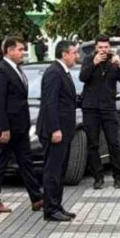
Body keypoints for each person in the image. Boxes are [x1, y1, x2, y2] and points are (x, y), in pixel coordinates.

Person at [0, 37, 44, 213]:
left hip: (20, 126)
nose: (23, 53)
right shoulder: (0, 71)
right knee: (1, 162)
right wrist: (4, 128)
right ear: (9, 51)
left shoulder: (17, 69)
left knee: (26, 162)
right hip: (8, 128)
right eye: (20, 49)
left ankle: (37, 198)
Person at [79, 35, 120, 190]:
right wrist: (94, 64)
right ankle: (98, 178)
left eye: (106, 47)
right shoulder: (89, 59)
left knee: (113, 143)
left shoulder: (113, 60)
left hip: (108, 107)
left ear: (109, 47)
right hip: (91, 108)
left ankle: (118, 177)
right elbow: (82, 77)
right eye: (100, 47)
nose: (103, 50)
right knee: (93, 144)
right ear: (96, 48)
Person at [38, 40, 79, 222]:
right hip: (55, 131)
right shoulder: (54, 72)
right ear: (64, 54)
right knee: (53, 171)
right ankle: (50, 209)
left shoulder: (64, 72)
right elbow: (50, 103)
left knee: (60, 170)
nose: (77, 56)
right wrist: (55, 128)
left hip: (65, 130)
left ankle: (57, 204)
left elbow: (67, 99)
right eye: (74, 53)